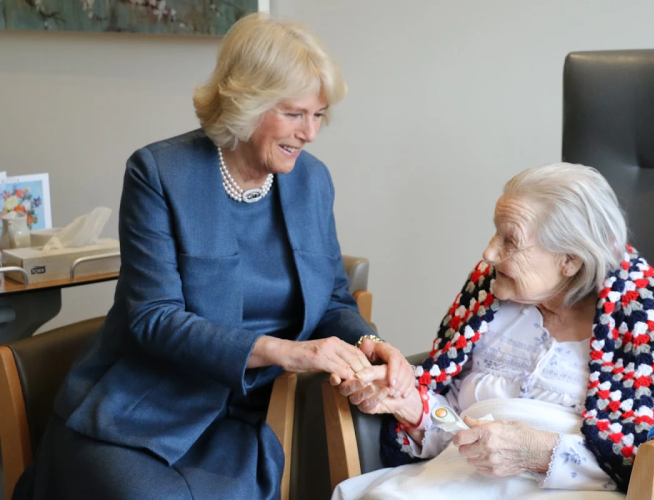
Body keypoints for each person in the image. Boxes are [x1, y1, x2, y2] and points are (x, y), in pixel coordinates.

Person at [13, 13, 413, 500]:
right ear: (246, 103)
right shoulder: (159, 172)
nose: (310, 132)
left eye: (319, 114)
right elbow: (153, 318)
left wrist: (372, 342)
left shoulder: (312, 181)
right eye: (294, 113)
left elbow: (331, 299)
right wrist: (283, 351)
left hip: (240, 418)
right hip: (141, 409)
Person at [335, 163, 654, 499]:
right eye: (495, 234)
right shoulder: (486, 292)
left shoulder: (640, 314)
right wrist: (412, 407)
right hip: (457, 482)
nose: (489, 253)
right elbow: (455, 429)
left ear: (569, 260)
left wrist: (540, 453)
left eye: (510, 240)